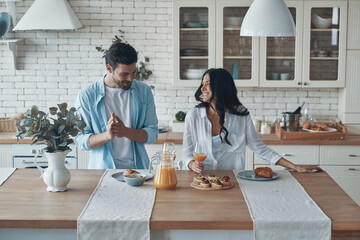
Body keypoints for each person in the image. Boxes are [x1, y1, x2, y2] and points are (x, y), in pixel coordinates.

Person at [183, 68, 322, 173]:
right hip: (202, 180)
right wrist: (191, 164)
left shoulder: (241, 116)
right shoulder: (193, 116)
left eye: (207, 83)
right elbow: (186, 153)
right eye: (202, 83)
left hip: (232, 182)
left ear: (220, 86)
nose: (202, 88)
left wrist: (295, 167)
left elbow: (260, 148)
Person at [75, 42, 158, 169]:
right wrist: (106, 136)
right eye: (124, 74)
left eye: (134, 72)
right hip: (102, 172)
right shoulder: (87, 96)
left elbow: (153, 133)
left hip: (139, 171)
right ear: (109, 68)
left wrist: (127, 132)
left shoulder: (144, 91)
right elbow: (80, 140)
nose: (130, 78)